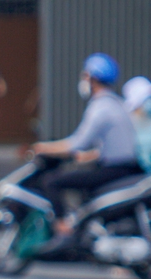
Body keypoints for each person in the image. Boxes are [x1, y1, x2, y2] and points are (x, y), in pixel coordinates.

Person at [25, 52, 141, 244]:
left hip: (113, 170)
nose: (83, 80)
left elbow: (77, 143)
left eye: (85, 76)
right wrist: (87, 157)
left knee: (51, 181)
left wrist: (42, 148)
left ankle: (63, 230)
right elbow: (109, 144)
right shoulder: (116, 104)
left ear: (93, 79)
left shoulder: (100, 107)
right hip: (124, 167)